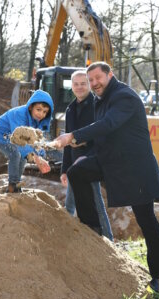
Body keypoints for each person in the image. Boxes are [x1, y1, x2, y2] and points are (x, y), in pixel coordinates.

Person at [54, 62, 159, 292]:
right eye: (91, 80)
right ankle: (93, 227)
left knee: (147, 221)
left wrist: (73, 135)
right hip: (111, 160)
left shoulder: (123, 96)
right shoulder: (100, 99)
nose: (94, 83)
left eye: (98, 78)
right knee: (77, 171)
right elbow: (105, 134)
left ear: (110, 75)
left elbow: (109, 124)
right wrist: (82, 141)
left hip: (135, 168)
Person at [61, 70, 113, 240]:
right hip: (75, 166)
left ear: (89, 85)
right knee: (69, 204)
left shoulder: (96, 105)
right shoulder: (70, 109)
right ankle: (67, 238)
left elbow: (101, 137)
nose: (79, 87)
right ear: (72, 86)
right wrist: (64, 169)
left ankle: (107, 240)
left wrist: (87, 154)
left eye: (83, 83)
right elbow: (68, 142)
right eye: (75, 84)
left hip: (90, 163)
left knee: (96, 202)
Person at [0, 89, 53, 193]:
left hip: (12, 136)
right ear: (30, 107)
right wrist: (35, 158)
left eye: (45, 112)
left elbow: (36, 141)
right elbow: (18, 139)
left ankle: (17, 183)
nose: (41, 114)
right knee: (15, 154)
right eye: (38, 109)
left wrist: (41, 156)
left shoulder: (38, 121)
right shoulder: (19, 114)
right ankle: (12, 186)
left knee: (23, 157)